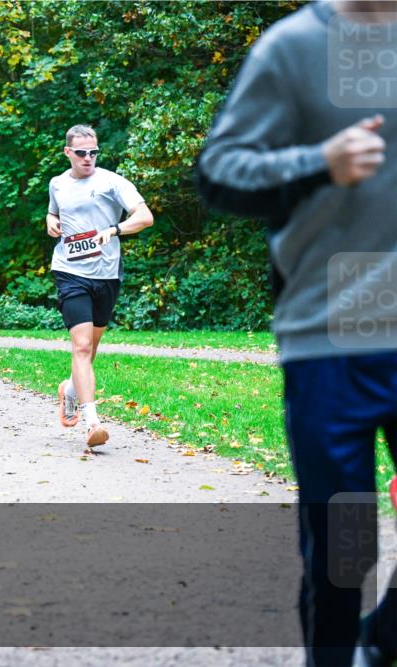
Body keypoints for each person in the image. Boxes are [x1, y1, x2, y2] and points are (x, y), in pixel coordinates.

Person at [195, 2, 395, 664]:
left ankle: (384, 636)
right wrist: (317, 161)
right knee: (345, 548)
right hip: (331, 337)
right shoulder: (294, 46)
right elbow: (219, 170)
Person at [46, 124, 154, 447]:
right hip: (69, 271)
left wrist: (115, 230)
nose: (88, 158)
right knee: (80, 346)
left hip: (106, 275)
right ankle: (93, 423)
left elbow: (145, 216)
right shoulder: (58, 184)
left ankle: (69, 389)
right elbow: (53, 214)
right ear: (68, 153)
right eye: (81, 153)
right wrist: (50, 221)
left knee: (90, 350)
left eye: (93, 152)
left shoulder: (111, 182)